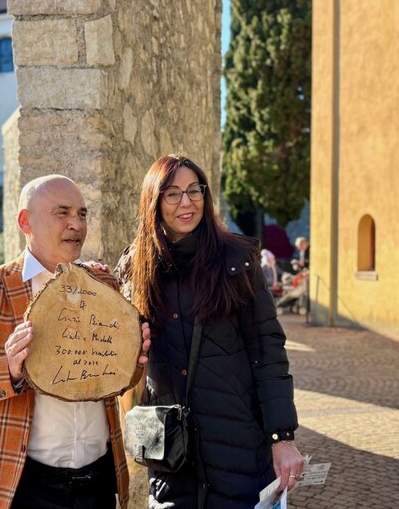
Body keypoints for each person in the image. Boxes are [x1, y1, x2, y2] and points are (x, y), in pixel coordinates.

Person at [0, 175, 151, 509]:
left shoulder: (103, 282)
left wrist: (133, 363)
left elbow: (117, 382)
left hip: (99, 481)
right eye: (62, 212)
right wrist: (8, 370)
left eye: (81, 214)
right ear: (26, 221)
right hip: (22, 486)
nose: (75, 224)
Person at [116, 155, 303, 508]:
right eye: (172, 194)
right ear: (153, 202)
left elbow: (268, 352)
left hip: (238, 448)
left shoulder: (237, 259)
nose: (186, 203)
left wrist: (282, 437)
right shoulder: (135, 268)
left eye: (193, 190)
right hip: (171, 458)